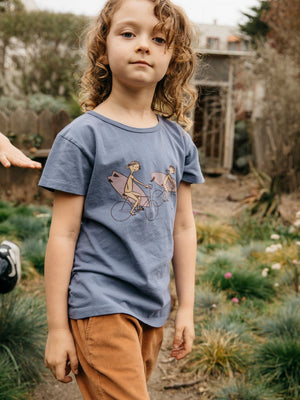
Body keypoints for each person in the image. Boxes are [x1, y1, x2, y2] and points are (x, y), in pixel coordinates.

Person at [39, 0, 204, 399]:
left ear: (173, 58)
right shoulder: (83, 137)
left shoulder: (179, 142)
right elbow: (63, 234)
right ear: (102, 50)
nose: (143, 45)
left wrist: (185, 308)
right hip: (100, 304)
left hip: (152, 308)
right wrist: (58, 327)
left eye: (158, 38)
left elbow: (183, 227)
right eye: (128, 33)